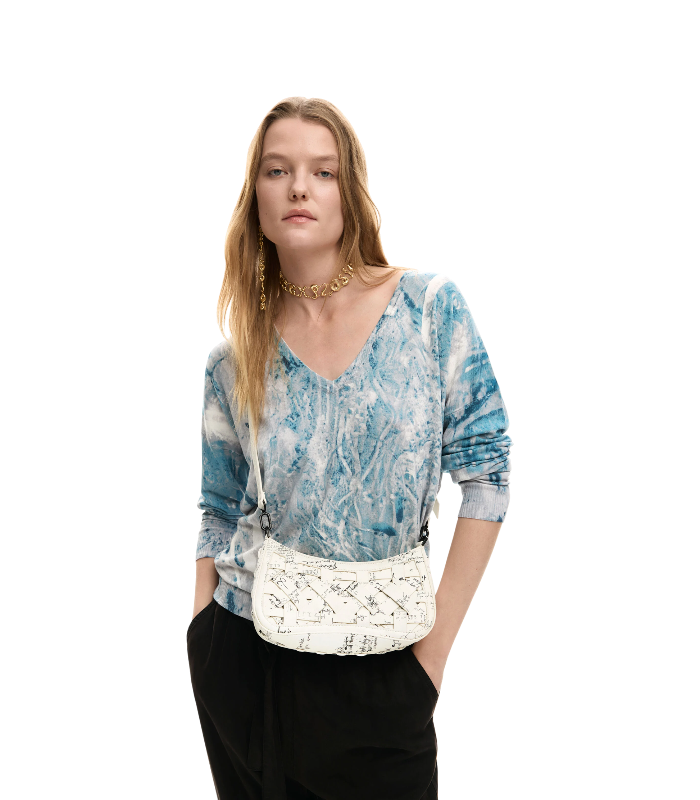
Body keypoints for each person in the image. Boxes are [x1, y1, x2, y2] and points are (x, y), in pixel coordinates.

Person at [188, 96, 512, 800]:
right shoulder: (232, 360)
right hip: (244, 659)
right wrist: (203, 636)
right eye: (277, 170)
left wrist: (431, 660)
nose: (298, 188)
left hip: (388, 667)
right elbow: (218, 510)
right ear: (255, 197)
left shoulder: (428, 309)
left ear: (351, 193)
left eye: (323, 171)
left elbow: (488, 477)